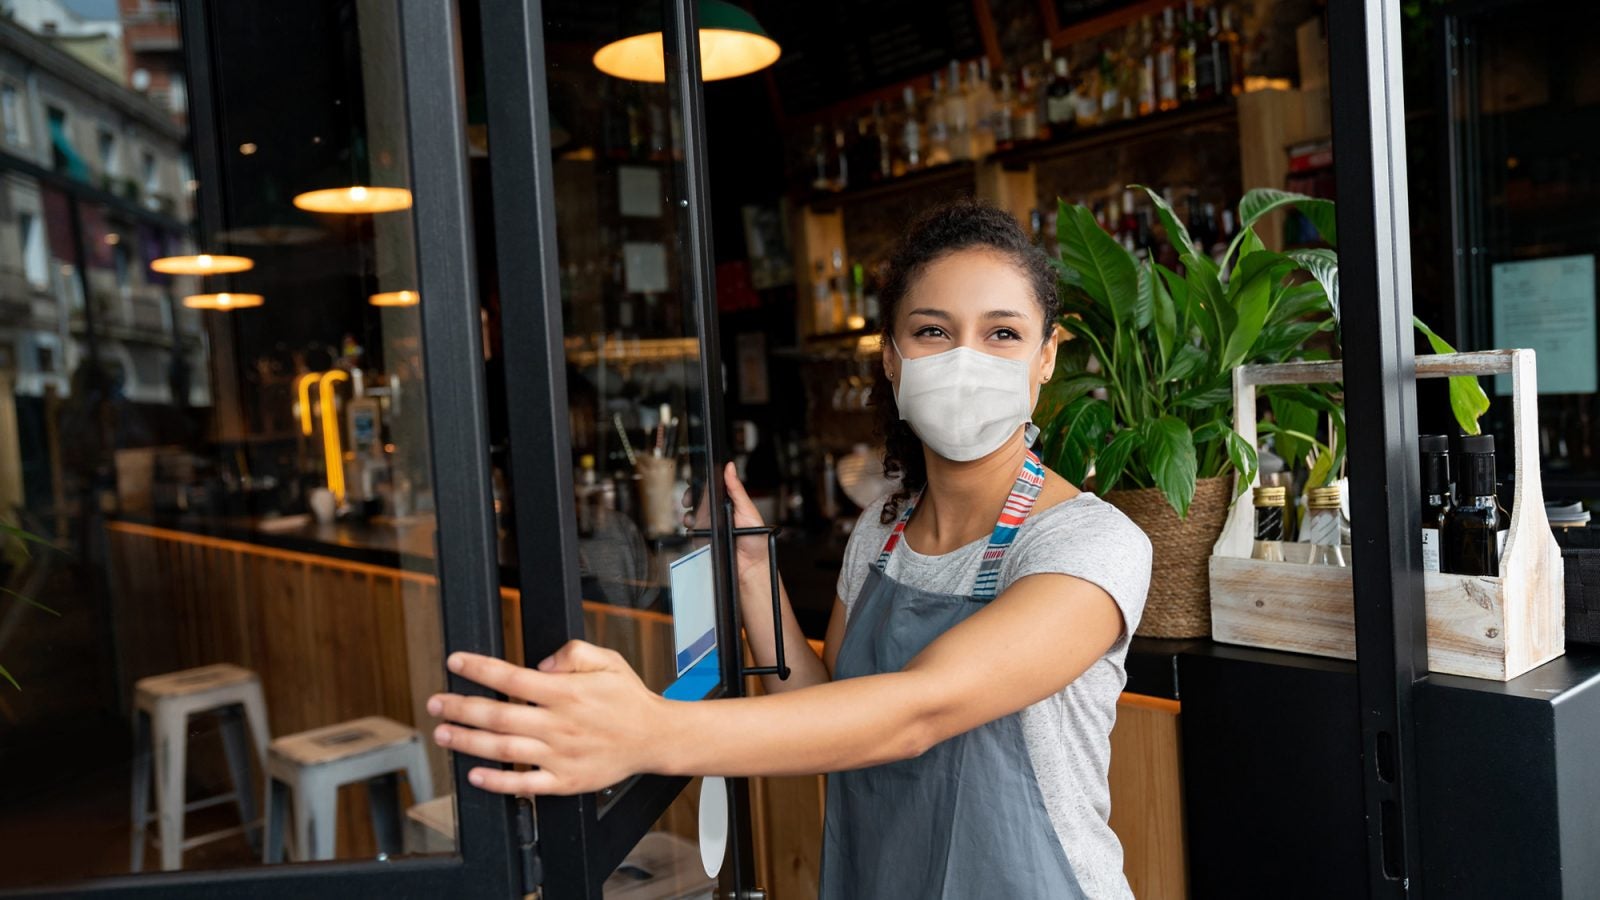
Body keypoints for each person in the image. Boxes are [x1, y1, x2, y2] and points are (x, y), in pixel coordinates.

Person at [427, 200, 1153, 899]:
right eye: (933, 331)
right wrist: (752, 574)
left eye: (1002, 334)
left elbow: (915, 713)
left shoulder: (1088, 544)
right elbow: (824, 712)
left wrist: (651, 732)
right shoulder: (883, 528)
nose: (967, 358)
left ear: (1047, 356)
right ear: (891, 358)